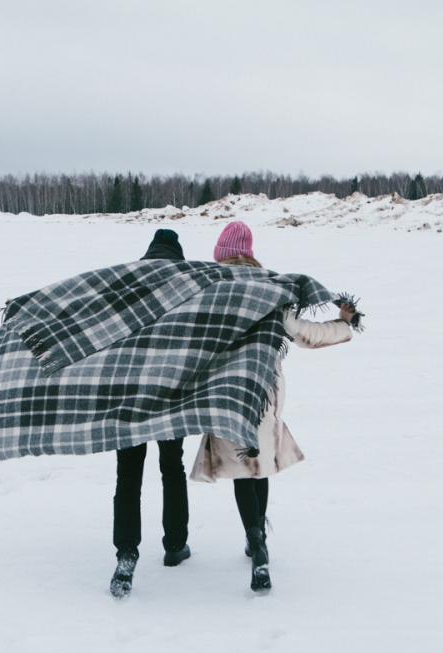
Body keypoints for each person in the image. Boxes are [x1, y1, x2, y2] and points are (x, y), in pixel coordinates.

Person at [190, 220, 356, 592]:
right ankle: (257, 542)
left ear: (221, 255)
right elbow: (305, 334)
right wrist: (344, 325)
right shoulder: (271, 289)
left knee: (239, 464)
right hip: (266, 389)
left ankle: (257, 542)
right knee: (259, 463)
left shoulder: (212, 288)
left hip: (226, 390)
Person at [110, 229, 192, 599]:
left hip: (129, 395)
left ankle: (126, 553)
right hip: (171, 393)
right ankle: (175, 545)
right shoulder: (187, 284)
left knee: (128, 474)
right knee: (171, 467)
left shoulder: (129, 283)